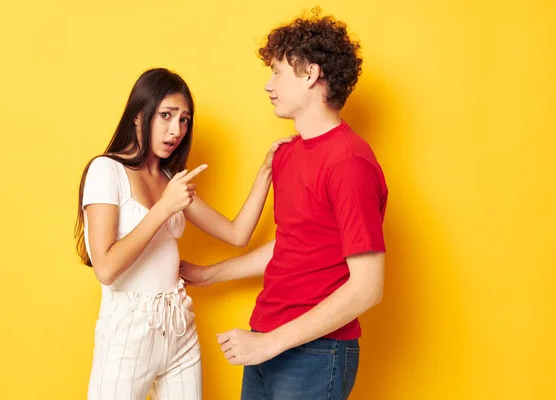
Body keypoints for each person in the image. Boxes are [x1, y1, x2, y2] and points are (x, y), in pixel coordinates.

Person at [180, 13, 388, 400]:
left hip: (316, 352)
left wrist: (271, 343)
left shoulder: (349, 163)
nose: (268, 85)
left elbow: (368, 288)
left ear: (310, 74)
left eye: (277, 72)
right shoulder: (287, 155)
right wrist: (209, 274)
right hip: (265, 341)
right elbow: (293, 244)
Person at [74, 68, 292, 400]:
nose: (175, 130)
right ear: (137, 116)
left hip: (179, 328)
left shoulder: (170, 179)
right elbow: (105, 268)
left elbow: (237, 234)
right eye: (166, 115)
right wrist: (164, 207)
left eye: (184, 120)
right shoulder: (107, 171)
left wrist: (266, 172)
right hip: (128, 332)